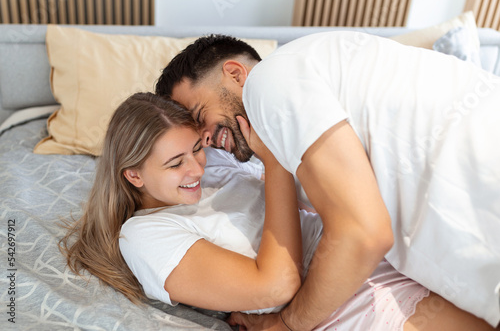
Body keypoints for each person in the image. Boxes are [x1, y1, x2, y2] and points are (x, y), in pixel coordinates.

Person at [59, 92, 494, 331]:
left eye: (197, 149)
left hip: (369, 245)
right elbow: (275, 286)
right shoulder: (145, 236)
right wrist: (276, 164)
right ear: (133, 176)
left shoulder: (216, 166)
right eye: (175, 165)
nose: (196, 169)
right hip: (338, 299)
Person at [155, 32, 500, 330]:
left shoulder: (269, 83)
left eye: (200, 117)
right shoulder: (308, 93)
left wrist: (288, 323)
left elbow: (361, 233)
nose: (207, 140)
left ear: (235, 73)